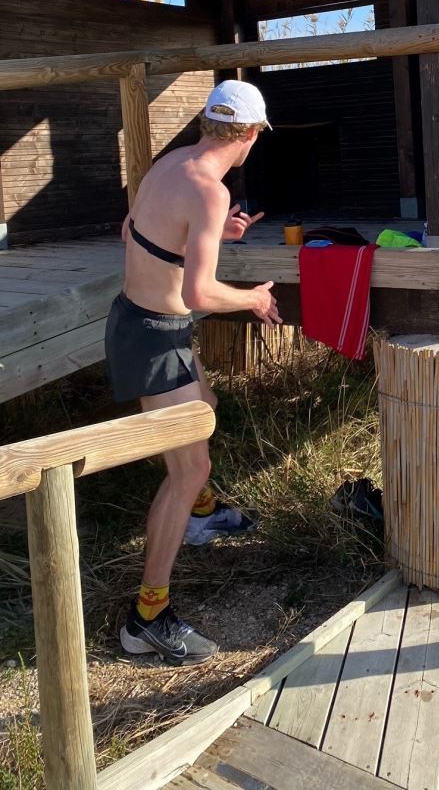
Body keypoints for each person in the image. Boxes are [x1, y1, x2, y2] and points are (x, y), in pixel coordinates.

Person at [105, 80, 282, 665]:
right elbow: (200, 290)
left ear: (208, 123)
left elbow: (133, 231)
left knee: (205, 405)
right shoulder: (210, 189)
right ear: (252, 136)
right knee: (189, 465)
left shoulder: (172, 165)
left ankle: (201, 516)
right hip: (154, 338)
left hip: (144, 324)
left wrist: (212, 234)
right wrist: (254, 300)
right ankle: (147, 617)